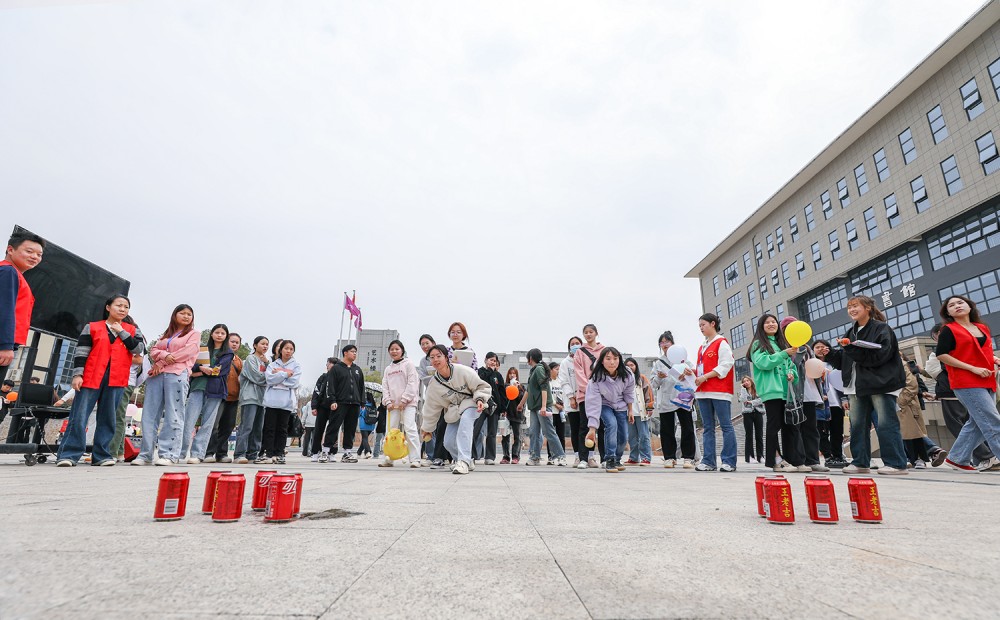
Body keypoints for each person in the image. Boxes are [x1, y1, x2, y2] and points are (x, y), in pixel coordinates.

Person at [55, 295, 145, 467]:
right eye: (118, 305)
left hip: (117, 378)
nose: (122, 309)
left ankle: (102, 456)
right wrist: (77, 374)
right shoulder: (92, 327)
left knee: (108, 418)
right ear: (108, 307)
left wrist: (121, 331)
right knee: (79, 416)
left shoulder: (132, 330)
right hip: (91, 375)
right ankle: (69, 455)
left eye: (126, 307)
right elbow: (82, 352)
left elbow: (138, 349)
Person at [825, 295, 909, 475]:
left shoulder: (882, 329)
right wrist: (830, 354)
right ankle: (860, 462)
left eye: (855, 306)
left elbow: (881, 356)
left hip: (880, 384)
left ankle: (896, 463)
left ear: (868, 308)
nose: (852, 310)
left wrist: (852, 349)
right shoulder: (850, 332)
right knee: (857, 425)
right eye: (849, 307)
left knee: (886, 423)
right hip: (855, 386)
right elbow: (844, 362)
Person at [934, 295, 1000, 472]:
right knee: (992, 420)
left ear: (970, 306)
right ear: (947, 312)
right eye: (951, 305)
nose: (956, 306)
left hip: (987, 378)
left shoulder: (982, 327)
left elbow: (981, 350)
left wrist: (994, 358)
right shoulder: (948, 329)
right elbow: (942, 354)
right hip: (966, 381)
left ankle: (957, 459)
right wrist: (972, 368)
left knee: (977, 422)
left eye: (960, 302)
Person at [135, 304, 200, 466]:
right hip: (157, 376)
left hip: (177, 374)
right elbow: (153, 350)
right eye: (182, 313)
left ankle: (169, 453)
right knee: (149, 415)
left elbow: (188, 352)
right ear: (174, 315)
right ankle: (145, 454)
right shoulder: (167, 334)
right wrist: (164, 355)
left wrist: (162, 361)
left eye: (189, 314)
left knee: (174, 414)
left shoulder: (194, 334)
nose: (186, 316)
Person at [419, 344, 492, 475]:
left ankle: (463, 462)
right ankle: (466, 460)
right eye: (432, 357)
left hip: (472, 403)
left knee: (465, 422)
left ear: (446, 358)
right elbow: (431, 408)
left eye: (438, 356)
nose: (435, 359)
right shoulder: (433, 384)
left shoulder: (463, 371)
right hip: (453, 411)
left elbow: (481, 386)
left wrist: (480, 399)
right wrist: (427, 428)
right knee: (448, 442)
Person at [748, 314, 806, 473]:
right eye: (767, 322)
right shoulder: (758, 344)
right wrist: (783, 354)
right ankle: (775, 461)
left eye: (774, 321)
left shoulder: (783, 344)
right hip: (771, 390)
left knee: (791, 426)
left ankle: (794, 460)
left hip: (786, 391)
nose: (771, 324)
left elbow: (791, 366)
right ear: (761, 326)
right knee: (774, 425)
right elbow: (763, 363)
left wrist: (792, 375)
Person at [925, 325, 986, 466]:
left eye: (936, 337)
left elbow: (935, 370)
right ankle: (982, 457)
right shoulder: (964, 344)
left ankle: (984, 455)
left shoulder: (946, 350)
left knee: (959, 426)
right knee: (973, 424)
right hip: (966, 390)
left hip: (952, 392)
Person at [179, 324, 234, 464]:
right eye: (217, 332)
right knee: (188, 421)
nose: (220, 335)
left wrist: (203, 370)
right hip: (198, 387)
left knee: (208, 424)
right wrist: (202, 368)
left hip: (216, 390)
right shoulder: (201, 348)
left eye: (223, 333)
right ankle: (180, 452)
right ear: (211, 334)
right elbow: (191, 364)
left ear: (226, 336)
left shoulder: (228, 352)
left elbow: (221, 370)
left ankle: (197, 454)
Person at [783, 317, 829, 473]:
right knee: (796, 427)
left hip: (810, 392)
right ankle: (799, 460)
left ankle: (813, 460)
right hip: (794, 393)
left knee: (811, 427)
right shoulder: (785, 350)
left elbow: (814, 367)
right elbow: (790, 368)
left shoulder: (807, 349)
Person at [694, 313, 737, 472]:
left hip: (719, 392)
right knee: (707, 427)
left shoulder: (721, 343)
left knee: (726, 426)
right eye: (699, 326)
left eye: (703, 325)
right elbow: (701, 369)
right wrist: (692, 373)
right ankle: (709, 461)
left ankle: (729, 461)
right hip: (703, 392)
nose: (701, 328)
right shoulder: (702, 346)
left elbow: (726, 364)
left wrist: (705, 376)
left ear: (713, 324)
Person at [0, 232, 44, 385]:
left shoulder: (13, 274)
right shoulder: (8, 271)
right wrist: (5, 345)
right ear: (10, 250)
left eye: (39, 254)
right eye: (29, 251)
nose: (35, 257)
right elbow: (4, 309)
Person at [584, 347, 635, 473]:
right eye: (608, 359)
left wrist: (631, 410)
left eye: (615, 358)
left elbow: (629, 393)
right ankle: (609, 459)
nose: (612, 362)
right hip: (604, 404)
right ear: (602, 361)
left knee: (623, 436)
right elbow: (593, 402)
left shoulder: (627, 374)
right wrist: (592, 428)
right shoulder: (596, 378)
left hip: (621, 405)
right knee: (611, 425)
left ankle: (617, 458)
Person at [651, 331, 696, 469]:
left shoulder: (684, 359)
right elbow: (653, 384)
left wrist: (689, 374)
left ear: (672, 343)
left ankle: (689, 457)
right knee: (667, 429)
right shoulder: (658, 363)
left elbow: (694, 378)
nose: (664, 345)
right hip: (666, 398)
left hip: (683, 395)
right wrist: (660, 377)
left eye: (667, 342)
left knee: (687, 427)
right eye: (662, 342)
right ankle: (669, 457)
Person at [319, 344, 366, 463]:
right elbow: (331, 386)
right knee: (333, 427)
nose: (355, 354)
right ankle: (325, 451)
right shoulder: (336, 368)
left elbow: (361, 387)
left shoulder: (357, 369)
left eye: (356, 352)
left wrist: (362, 402)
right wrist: (332, 400)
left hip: (354, 404)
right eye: (352, 351)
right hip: (340, 403)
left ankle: (347, 453)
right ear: (345, 353)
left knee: (350, 429)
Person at [379, 339, 421, 468]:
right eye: (392, 349)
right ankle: (389, 457)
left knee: (410, 428)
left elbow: (412, 383)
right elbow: (384, 386)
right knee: (390, 431)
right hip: (393, 406)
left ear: (402, 350)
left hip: (408, 403)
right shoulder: (388, 369)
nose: (394, 351)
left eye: (397, 349)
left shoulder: (408, 364)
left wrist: (404, 400)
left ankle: (415, 459)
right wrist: (387, 401)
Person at [205, 332, 244, 463]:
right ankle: (209, 452)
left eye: (237, 342)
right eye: (232, 341)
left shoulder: (238, 360)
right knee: (214, 425)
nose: (234, 344)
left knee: (228, 426)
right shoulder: (220, 356)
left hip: (233, 397)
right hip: (219, 395)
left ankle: (222, 453)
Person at [523, 348, 566, 466]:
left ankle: (561, 456)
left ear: (530, 358)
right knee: (534, 432)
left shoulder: (539, 370)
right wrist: (521, 404)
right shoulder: (533, 371)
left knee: (549, 432)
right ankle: (534, 457)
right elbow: (528, 390)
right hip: (533, 407)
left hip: (541, 407)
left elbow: (544, 387)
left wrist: (543, 406)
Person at [261, 339, 301, 464]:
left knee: (282, 429)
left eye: (291, 349)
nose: (288, 351)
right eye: (286, 348)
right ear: (280, 350)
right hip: (271, 401)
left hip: (286, 403)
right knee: (269, 428)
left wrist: (279, 375)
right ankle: (269, 454)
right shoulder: (273, 365)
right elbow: (269, 379)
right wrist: (285, 374)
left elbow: (294, 382)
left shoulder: (296, 365)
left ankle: (279, 453)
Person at [573, 324, 606, 468]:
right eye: (585, 332)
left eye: (591, 332)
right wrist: (589, 390)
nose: (588, 334)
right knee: (584, 426)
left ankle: (605, 458)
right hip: (584, 395)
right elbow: (578, 373)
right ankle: (583, 459)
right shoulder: (580, 352)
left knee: (603, 426)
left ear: (596, 333)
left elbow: (607, 370)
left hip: (603, 395)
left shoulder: (604, 351)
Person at [812, 339, 848, 468]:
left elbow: (842, 381)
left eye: (824, 346)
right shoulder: (811, 364)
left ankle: (838, 456)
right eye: (818, 347)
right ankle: (828, 456)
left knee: (837, 431)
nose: (821, 349)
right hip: (820, 403)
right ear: (813, 350)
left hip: (836, 402)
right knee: (822, 432)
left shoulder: (835, 362)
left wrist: (844, 399)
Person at [234, 336, 269, 464]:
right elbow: (257, 377)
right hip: (250, 397)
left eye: (267, 344)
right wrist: (271, 378)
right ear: (255, 345)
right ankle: (239, 454)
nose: (265, 346)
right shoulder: (250, 359)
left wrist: (267, 364)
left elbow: (269, 375)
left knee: (258, 428)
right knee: (246, 426)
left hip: (261, 399)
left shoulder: (265, 361)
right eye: (262, 344)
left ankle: (253, 454)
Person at [898, 355, 931, 468]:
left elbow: (914, 384)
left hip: (907, 403)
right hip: (900, 403)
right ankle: (910, 458)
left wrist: (901, 401)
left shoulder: (904, 365)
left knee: (915, 433)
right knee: (905, 433)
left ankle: (921, 457)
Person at [473, 352, 505, 465]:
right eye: (491, 360)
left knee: (492, 432)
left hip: (494, 407)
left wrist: (502, 408)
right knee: (475, 430)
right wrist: (490, 371)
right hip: (481, 405)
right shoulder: (480, 372)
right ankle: (471, 455)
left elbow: (502, 392)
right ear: (486, 360)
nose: (493, 362)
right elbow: (480, 382)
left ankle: (490, 457)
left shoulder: (498, 375)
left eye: (495, 361)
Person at [557, 337, 584, 467]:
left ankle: (589, 457)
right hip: (572, 401)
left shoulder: (586, 359)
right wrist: (571, 397)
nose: (575, 346)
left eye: (577, 343)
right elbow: (564, 381)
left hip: (585, 400)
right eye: (572, 344)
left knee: (586, 428)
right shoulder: (565, 363)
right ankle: (578, 456)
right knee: (575, 429)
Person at [624, 357, 653, 466]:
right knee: (631, 437)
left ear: (636, 366)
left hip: (641, 412)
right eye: (627, 365)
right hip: (629, 413)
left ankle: (646, 457)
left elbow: (648, 393)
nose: (630, 367)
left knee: (644, 435)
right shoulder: (623, 379)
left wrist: (649, 407)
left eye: (632, 365)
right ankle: (634, 457)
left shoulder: (642, 378)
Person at [414, 334, 437, 466]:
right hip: (430, 396)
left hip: (445, 396)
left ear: (433, 343)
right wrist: (437, 377)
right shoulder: (423, 361)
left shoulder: (443, 356)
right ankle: (430, 456)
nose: (425, 346)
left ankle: (443, 455)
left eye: (426, 343)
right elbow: (423, 378)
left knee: (442, 426)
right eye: (422, 344)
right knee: (429, 425)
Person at [308, 357, 335, 462]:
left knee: (333, 430)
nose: (330, 366)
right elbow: (316, 392)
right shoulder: (323, 377)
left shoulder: (339, 378)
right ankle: (315, 452)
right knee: (319, 429)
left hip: (335, 407)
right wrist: (314, 406)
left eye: (333, 364)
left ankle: (331, 451)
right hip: (323, 406)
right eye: (329, 364)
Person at [738, 376, 764, 464]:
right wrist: (742, 389)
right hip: (747, 414)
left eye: (747, 380)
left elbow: (762, 399)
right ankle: (750, 457)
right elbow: (743, 399)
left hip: (758, 413)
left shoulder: (758, 390)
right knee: (749, 435)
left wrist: (752, 402)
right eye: (744, 381)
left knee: (759, 435)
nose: (746, 382)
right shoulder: (743, 391)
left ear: (751, 381)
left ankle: (761, 456)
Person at [501, 367, 524, 464]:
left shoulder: (521, 386)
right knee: (505, 436)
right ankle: (506, 456)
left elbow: (522, 400)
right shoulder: (505, 385)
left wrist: (517, 388)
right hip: (506, 414)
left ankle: (516, 456)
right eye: (510, 373)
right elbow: (503, 398)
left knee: (517, 436)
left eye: (514, 373)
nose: (512, 375)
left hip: (517, 414)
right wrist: (503, 410)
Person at [547, 361, 567, 464]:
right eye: (556, 369)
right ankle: (551, 456)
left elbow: (565, 394)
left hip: (561, 413)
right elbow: (548, 396)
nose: (558, 371)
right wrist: (556, 404)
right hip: (551, 411)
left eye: (559, 369)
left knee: (561, 435)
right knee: (551, 435)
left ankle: (561, 456)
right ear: (550, 370)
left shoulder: (561, 381)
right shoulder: (548, 382)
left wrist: (563, 405)